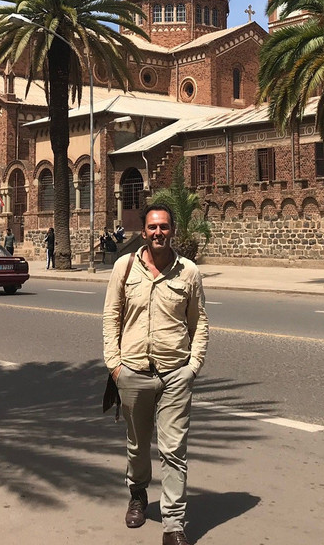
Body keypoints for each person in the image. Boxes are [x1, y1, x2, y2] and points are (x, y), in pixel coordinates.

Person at [102, 204, 208, 545]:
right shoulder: (125, 266)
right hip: (132, 371)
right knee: (137, 446)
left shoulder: (188, 272)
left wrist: (193, 367)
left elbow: (199, 322)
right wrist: (114, 366)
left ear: (172, 230)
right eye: (152, 227)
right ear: (144, 232)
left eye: (163, 226)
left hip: (176, 373)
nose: (158, 232)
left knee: (174, 449)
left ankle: (173, 523)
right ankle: (137, 494)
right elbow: (111, 317)